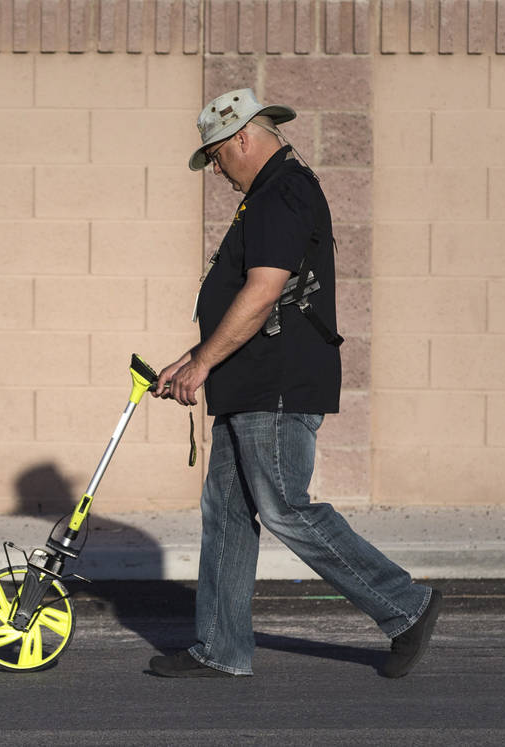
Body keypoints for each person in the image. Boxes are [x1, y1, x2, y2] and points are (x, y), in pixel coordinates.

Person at [147, 88, 442, 679]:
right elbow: (241, 300)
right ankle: (221, 649)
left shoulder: (282, 191)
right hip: (248, 380)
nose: (217, 173)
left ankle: (405, 605)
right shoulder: (268, 195)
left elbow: (262, 292)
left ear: (241, 139)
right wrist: (191, 359)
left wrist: (204, 365)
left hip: (273, 384)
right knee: (227, 512)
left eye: (217, 158)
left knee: (284, 505)